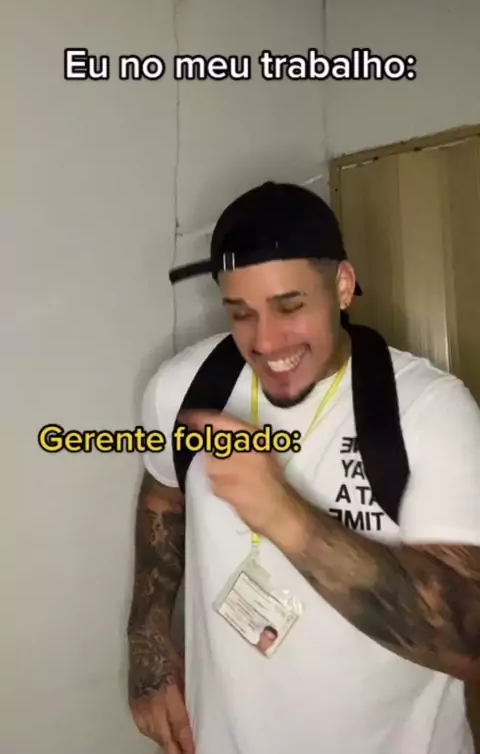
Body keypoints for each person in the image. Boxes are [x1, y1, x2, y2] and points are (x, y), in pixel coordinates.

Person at [126, 182, 480, 754]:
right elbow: (164, 495)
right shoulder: (183, 390)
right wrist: (147, 643)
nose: (266, 342)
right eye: (241, 314)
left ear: (342, 286)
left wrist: (286, 517)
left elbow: (471, 641)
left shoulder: (431, 412)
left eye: (289, 307)